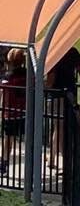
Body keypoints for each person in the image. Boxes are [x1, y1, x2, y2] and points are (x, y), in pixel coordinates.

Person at [1, 48, 27, 179]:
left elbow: (4, 95)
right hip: (24, 112)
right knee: (26, 137)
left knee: (8, 138)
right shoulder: (28, 76)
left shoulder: (8, 77)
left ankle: (4, 162)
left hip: (10, 112)